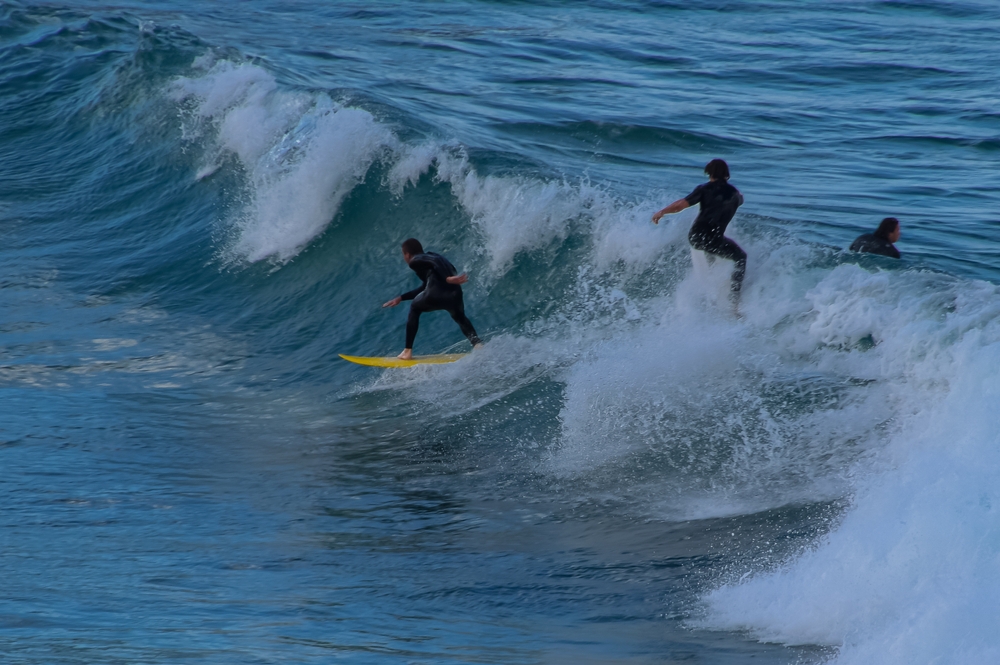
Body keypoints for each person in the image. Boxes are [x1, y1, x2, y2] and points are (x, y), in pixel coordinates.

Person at [652, 158, 746, 310]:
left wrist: (662, 212)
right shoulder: (736, 194)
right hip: (715, 240)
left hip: (696, 237)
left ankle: (710, 292)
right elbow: (739, 200)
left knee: (711, 253)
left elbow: (680, 206)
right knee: (740, 257)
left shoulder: (704, 189)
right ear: (726, 175)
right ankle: (734, 302)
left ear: (710, 174)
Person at [382, 238, 482, 360]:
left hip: (439, 290)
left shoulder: (415, 260)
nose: (405, 258)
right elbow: (425, 287)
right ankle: (478, 345)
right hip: (454, 293)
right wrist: (401, 298)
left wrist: (447, 278)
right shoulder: (430, 261)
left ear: (407, 254)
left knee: (414, 308)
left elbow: (435, 262)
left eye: (403, 255)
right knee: (460, 318)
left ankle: (407, 352)